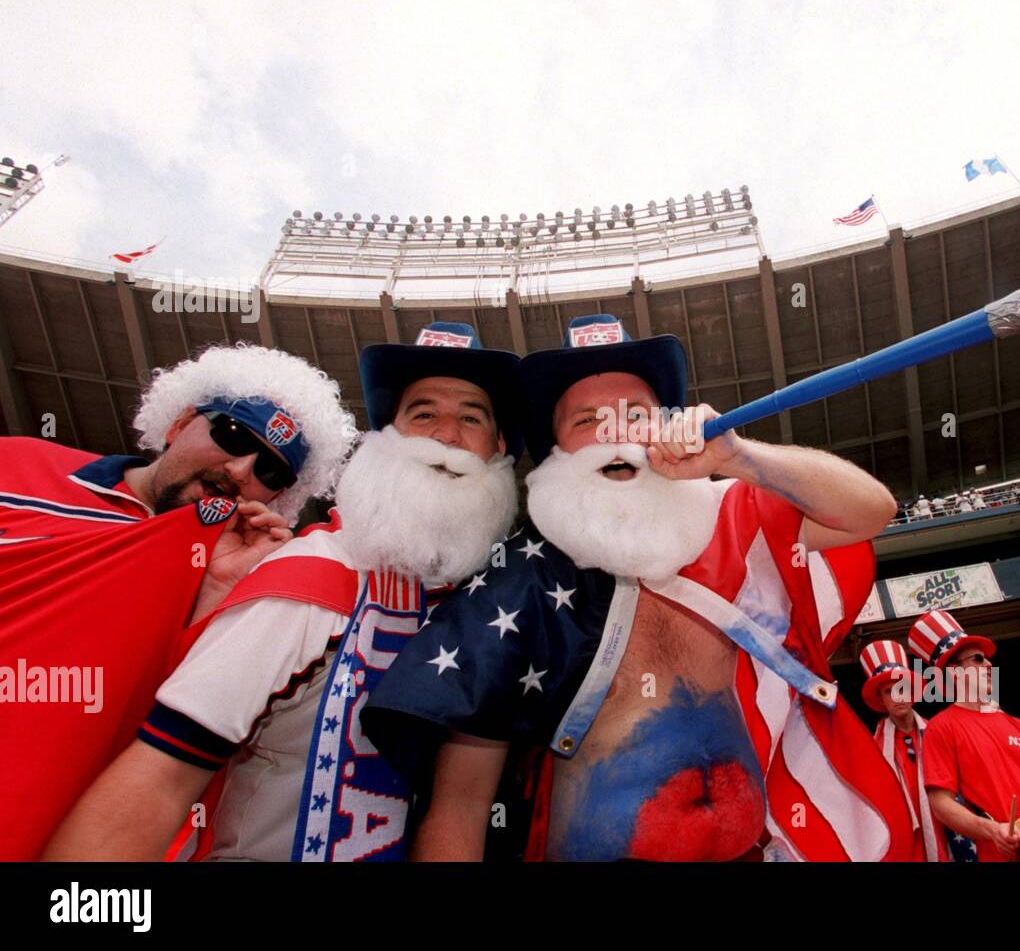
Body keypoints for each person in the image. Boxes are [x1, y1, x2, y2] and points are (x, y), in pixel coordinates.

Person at [363, 313, 913, 862]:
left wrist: (739, 458)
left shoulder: (727, 520)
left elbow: (868, 511)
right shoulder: (518, 583)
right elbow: (461, 805)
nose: (615, 434)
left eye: (635, 416)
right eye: (588, 421)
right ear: (559, 451)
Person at [43, 323, 524, 862]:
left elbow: (462, 808)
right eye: (424, 414)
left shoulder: (499, 608)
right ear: (386, 441)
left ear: (499, 448)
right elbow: (162, 778)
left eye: (471, 418)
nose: (446, 435)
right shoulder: (313, 572)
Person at [0, 343, 354, 861]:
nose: (240, 469)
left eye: (272, 471)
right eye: (232, 435)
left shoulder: (233, 571)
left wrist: (218, 597)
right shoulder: (19, 465)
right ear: (179, 422)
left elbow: (167, 732)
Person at [916, 610, 1020, 862]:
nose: (989, 665)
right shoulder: (941, 727)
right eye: (978, 659)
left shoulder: (1017, 724)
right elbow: (941, 803)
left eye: (987, 659)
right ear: (954, 671)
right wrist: (993, 831)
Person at [860, 639, 946, 861]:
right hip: (903, 841)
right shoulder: (871, 747)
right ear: (881, 700)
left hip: (945, 833)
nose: (898, 697)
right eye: (889, 691)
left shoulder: (938, 733)